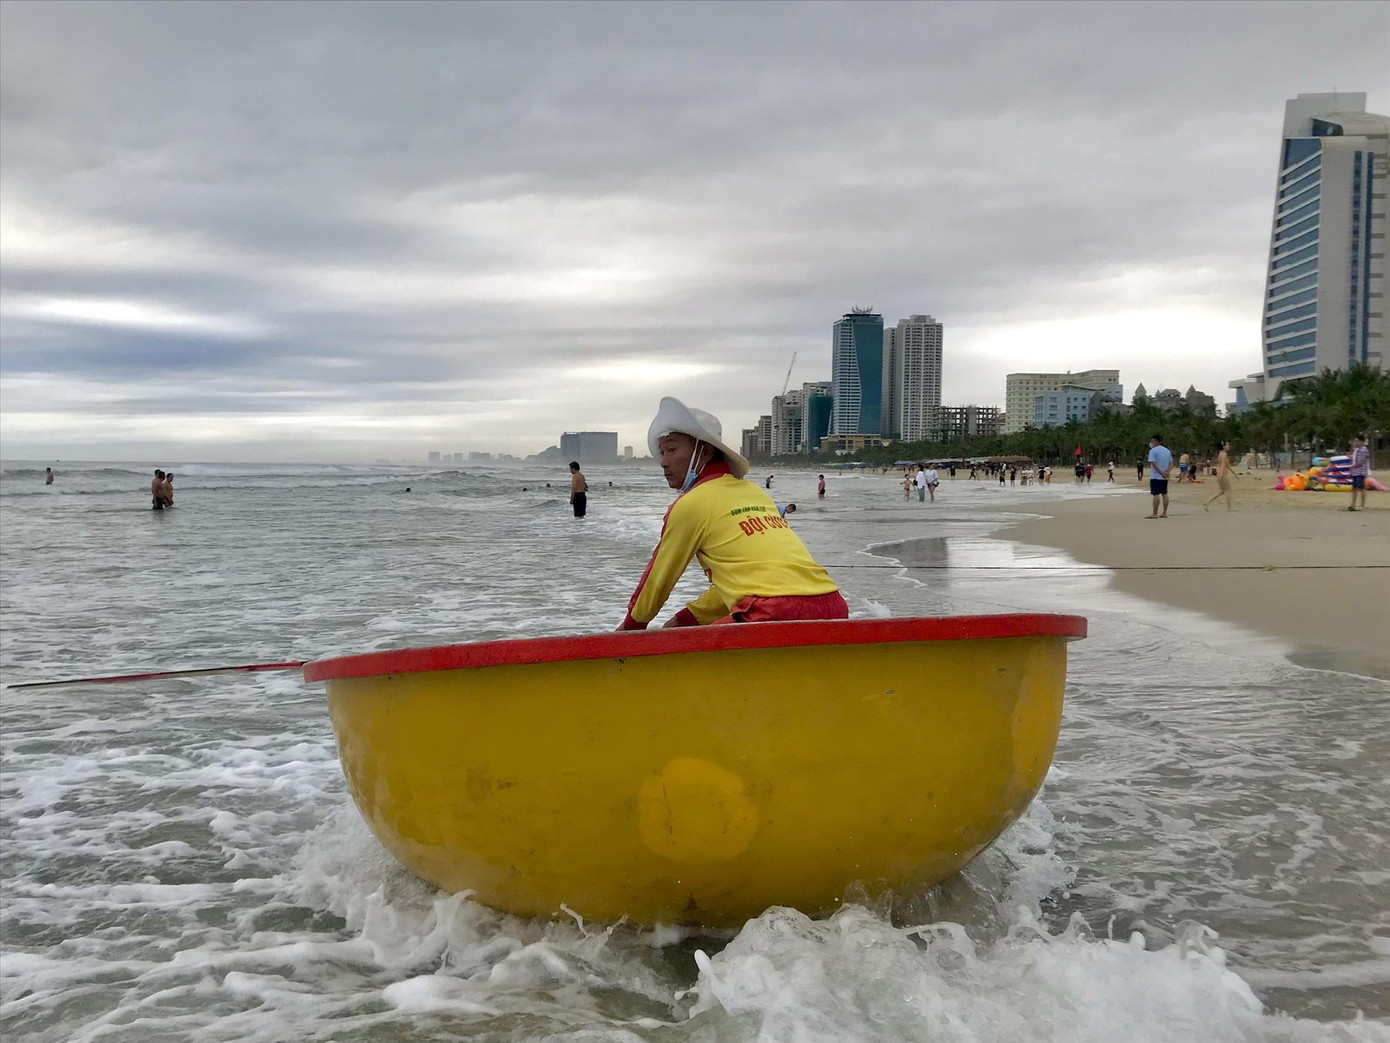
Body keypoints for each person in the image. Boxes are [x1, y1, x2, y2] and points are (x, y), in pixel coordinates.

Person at [618, 397, 846, 630]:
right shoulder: (754, 492)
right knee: (676, 631)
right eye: (662, 452)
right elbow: (754, 580)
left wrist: (629, 628)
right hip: (833, 605)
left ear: (705, 452)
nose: (663, 462)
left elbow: (659, 578)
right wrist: (685, 619)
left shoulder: (690, 504)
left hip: (772, 611)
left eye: (672, 449)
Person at [1203, 441, 1239, 512]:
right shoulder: (1224, 454)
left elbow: (1227, 465)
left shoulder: (1221, 454)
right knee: (1227, 490)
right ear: (1223, 446)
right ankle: (1229, 507)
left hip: (1220, 474)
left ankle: (1207, 502)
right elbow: (1222, 465)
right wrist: (1221, 475)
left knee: (1221, 491)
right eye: (1227, 445)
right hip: (1222, 474)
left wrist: (1234, 474)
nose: (1229, 446)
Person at [1147, 434, 1173, 519]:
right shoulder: (1167, 451)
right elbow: (1171, 463)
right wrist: (1167, 472)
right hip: (1164, 477)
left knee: (1156, 494)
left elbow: (1153, 463)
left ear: (1155, 441)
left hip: (1156, 476)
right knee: (1164, 493)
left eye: (1152, 441)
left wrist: (1161, 472)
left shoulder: (1153, 451)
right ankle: (1164, 512)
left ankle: (1155, 513)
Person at [1348, 434, 1371, 512]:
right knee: (1354, 488)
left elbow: (1360, 462)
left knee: (1361, 488)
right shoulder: (1357, 450)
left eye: (1357, 441)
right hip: (1355, 472)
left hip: (1360, 472)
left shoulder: (1364, 450)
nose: (1355, 442)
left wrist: (1352, 467)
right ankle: (1353, 504)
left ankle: (1362, 505)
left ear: (1361, 441)